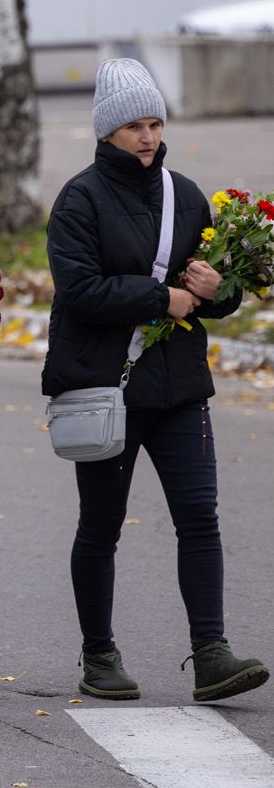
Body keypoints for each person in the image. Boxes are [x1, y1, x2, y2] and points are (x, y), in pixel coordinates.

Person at [44, 58, 267, 703]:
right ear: (106, 131)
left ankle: (211, 654)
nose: (147, 137)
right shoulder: (79, 199)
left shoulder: (185, 195)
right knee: (102, 526)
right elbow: (79, 290)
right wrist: (158, 297)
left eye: (155, 124)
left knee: (199, 517)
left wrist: (218, 290)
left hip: (178, 389)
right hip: (106, 389)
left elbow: (214, 295)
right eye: (134, 126)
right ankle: (99, 655)